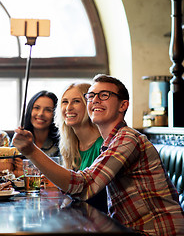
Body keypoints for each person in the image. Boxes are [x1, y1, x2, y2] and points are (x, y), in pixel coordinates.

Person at [13, 74, 184, 235]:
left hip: (157, 231)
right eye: (91, 96)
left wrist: (31, 151)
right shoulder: (109, 142)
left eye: (104, 95)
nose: (95, 100)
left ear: (123, 105)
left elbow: (84, 187)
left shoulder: (127, 138)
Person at [56, 83, 107, 212]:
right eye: (64, 102)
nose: (68, 107)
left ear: (90, 105)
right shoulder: (70, 146)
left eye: (76, 101)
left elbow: (93, 196)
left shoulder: (103, 145)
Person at [22, 90, 60, 158]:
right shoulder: (21, 137)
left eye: (48, 110)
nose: (40, 114)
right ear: (29, 110)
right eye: (36, 108)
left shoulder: (62, 143)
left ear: (55, 114)